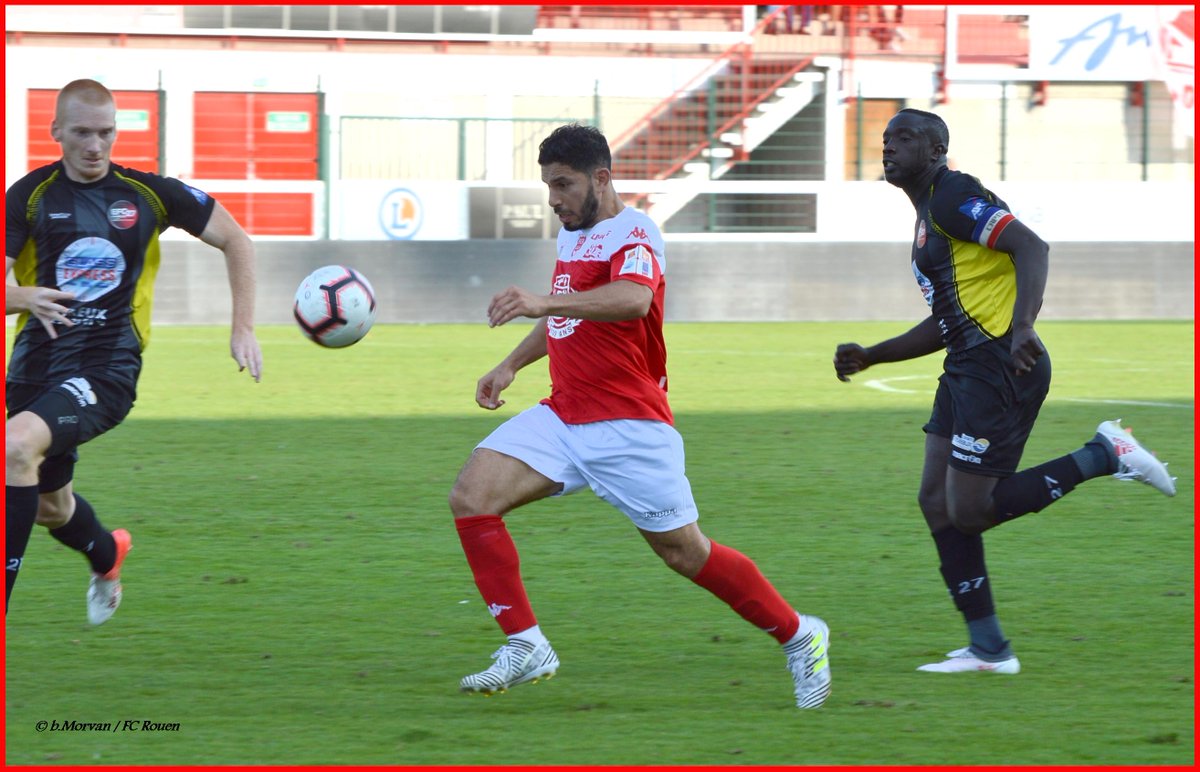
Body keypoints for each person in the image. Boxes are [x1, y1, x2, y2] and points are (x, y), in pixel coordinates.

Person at [449, 123, 831, 709]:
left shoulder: (636, 231)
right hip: (564, 414)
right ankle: (526, 644)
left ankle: (800, 634)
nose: (553, 198)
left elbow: (632, 298)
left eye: (563, 184)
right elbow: (568, 319)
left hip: (629, 426)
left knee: (686, 553)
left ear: (601, 178)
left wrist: (543, 299)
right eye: (548, 185)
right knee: (472, 496)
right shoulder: (573, 237)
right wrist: (510, 365)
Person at [833, 108, 1176, 674]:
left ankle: (1104, 455)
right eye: (887, 139)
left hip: (999, 365)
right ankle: (989, 648)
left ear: (938, 149)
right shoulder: (929, 215)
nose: (890, 147)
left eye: (906, 138)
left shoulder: (952, 196)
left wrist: (1022, 329)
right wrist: (874, 354)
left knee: (970, 511)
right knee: (935, 502)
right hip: (967, 365)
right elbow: (947, 320)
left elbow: (1033, 247)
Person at [5, 79, 263, 623]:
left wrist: (243, 327)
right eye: (81, 133)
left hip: (107, 369)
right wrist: (23, 296)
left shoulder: (147, 194)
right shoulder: (27, 197)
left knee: (15, 445)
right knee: (52, 508)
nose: (95, 146)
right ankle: (107, 553)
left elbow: (235, 239)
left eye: (106, 133)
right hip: (35, 369)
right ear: (56, 132)